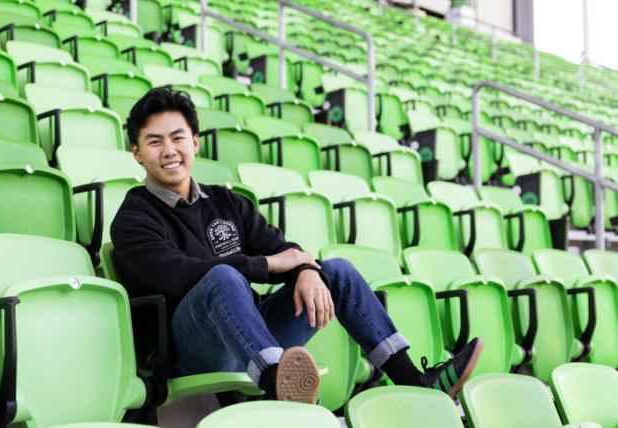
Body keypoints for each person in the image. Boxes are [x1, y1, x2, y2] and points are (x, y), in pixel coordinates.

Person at [111, 88, 483, 403]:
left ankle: (412, 381)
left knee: (335, 271)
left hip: (246, 334)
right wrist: (268, 266)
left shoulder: (226, 202)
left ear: (195, 142)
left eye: (177, 138)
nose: (169, 150)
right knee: (221, 277)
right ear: (137, 153)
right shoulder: (133, 217)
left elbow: (281, 248)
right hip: (185, 351)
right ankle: (278, 384)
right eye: (154, 141)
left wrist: (304, 270)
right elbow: (179, 276)